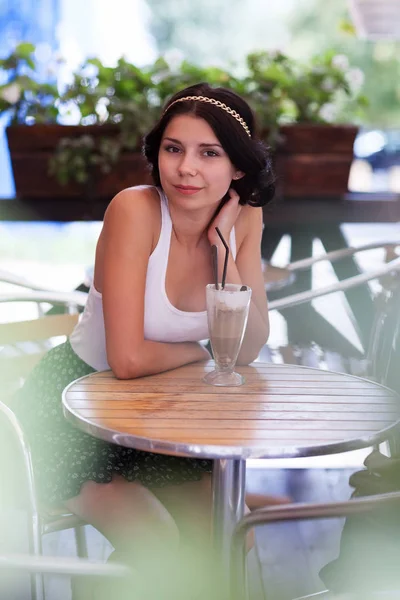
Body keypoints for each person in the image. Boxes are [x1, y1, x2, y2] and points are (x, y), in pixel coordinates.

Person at [13, 82, 277, 597]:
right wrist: (199, 353)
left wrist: (224, 250)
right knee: (156, 545)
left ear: (238, 168)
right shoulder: (133, 211)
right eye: (173, 149)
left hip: (160, 416)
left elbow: (246, 349)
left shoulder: (243, 220)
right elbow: (127, 359)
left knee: (227, 539)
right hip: (75, 409)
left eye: (209, 153)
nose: (186, 168)